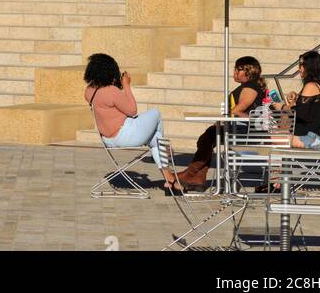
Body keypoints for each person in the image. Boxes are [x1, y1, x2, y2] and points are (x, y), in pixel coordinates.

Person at [84, 52, 178, 190]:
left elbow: (110, 107)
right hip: (125, 134)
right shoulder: (111, 91)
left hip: (108, 140)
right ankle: (163, 149)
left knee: (155, 138)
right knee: (156, 113)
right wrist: (126, 85)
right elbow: (132, 110)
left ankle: (169, 179)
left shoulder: (89, 91)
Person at [176, 55, 267, 190]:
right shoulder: (248, 86)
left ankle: (193, 175)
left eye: (238, 69)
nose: (235, 72)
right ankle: (196, 177)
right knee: (207, 137)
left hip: (243, 132)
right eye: (235, 69)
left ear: (249, 71)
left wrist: (221, 121)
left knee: (208, 137)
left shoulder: (250, 88)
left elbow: (238, 109)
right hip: (239, 129)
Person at [284, 50, 320, 148]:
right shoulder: (318, 85)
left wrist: (283, 107)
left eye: (301, 65)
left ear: (309, 67)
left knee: (272, 138)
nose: (299, 69)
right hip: (316, 136)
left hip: (312, 138)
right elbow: (310, 108)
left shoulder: (311, 86)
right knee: (278, 135)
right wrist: (297, 96)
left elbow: (299, 114)